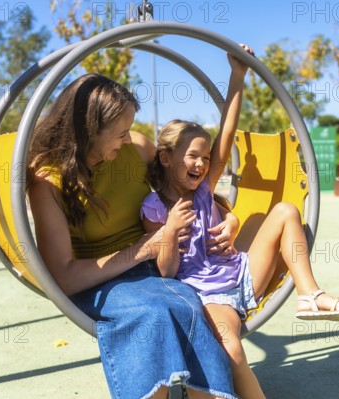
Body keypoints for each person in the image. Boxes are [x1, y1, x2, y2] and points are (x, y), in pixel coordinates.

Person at [140, 49, 339, 398]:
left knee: (286, 211)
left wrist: (237, 76)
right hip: (206, 294)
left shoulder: (204, 189)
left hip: (241, 273)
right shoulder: (154, 208)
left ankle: (309, 295)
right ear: (166, 158)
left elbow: (227, 132)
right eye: (191, 156)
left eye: (205, 158)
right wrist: (169, 231)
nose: (200, 164)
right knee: (233, 351)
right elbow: (165, 273)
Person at [26, 73, 240, 399]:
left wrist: (228, 216)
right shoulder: (49, 182)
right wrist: (142, 249)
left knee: (189, 306)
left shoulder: (136, 148)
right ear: (89, 131)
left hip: (157, 267)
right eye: (120, 132)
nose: (128, 139)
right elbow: (64, 278)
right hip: (97, 279)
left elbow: (185, 183)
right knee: (152, 313)